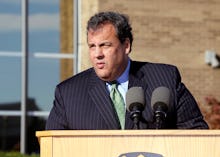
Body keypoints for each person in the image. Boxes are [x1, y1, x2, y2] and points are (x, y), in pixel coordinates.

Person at [46, 11, 209, 130]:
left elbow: (196, 134)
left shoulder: (165, 80)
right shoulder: (68, 94)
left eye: (105, 45)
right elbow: (52, 147)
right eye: (92, 46)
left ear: (126, 45)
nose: (97, 54)